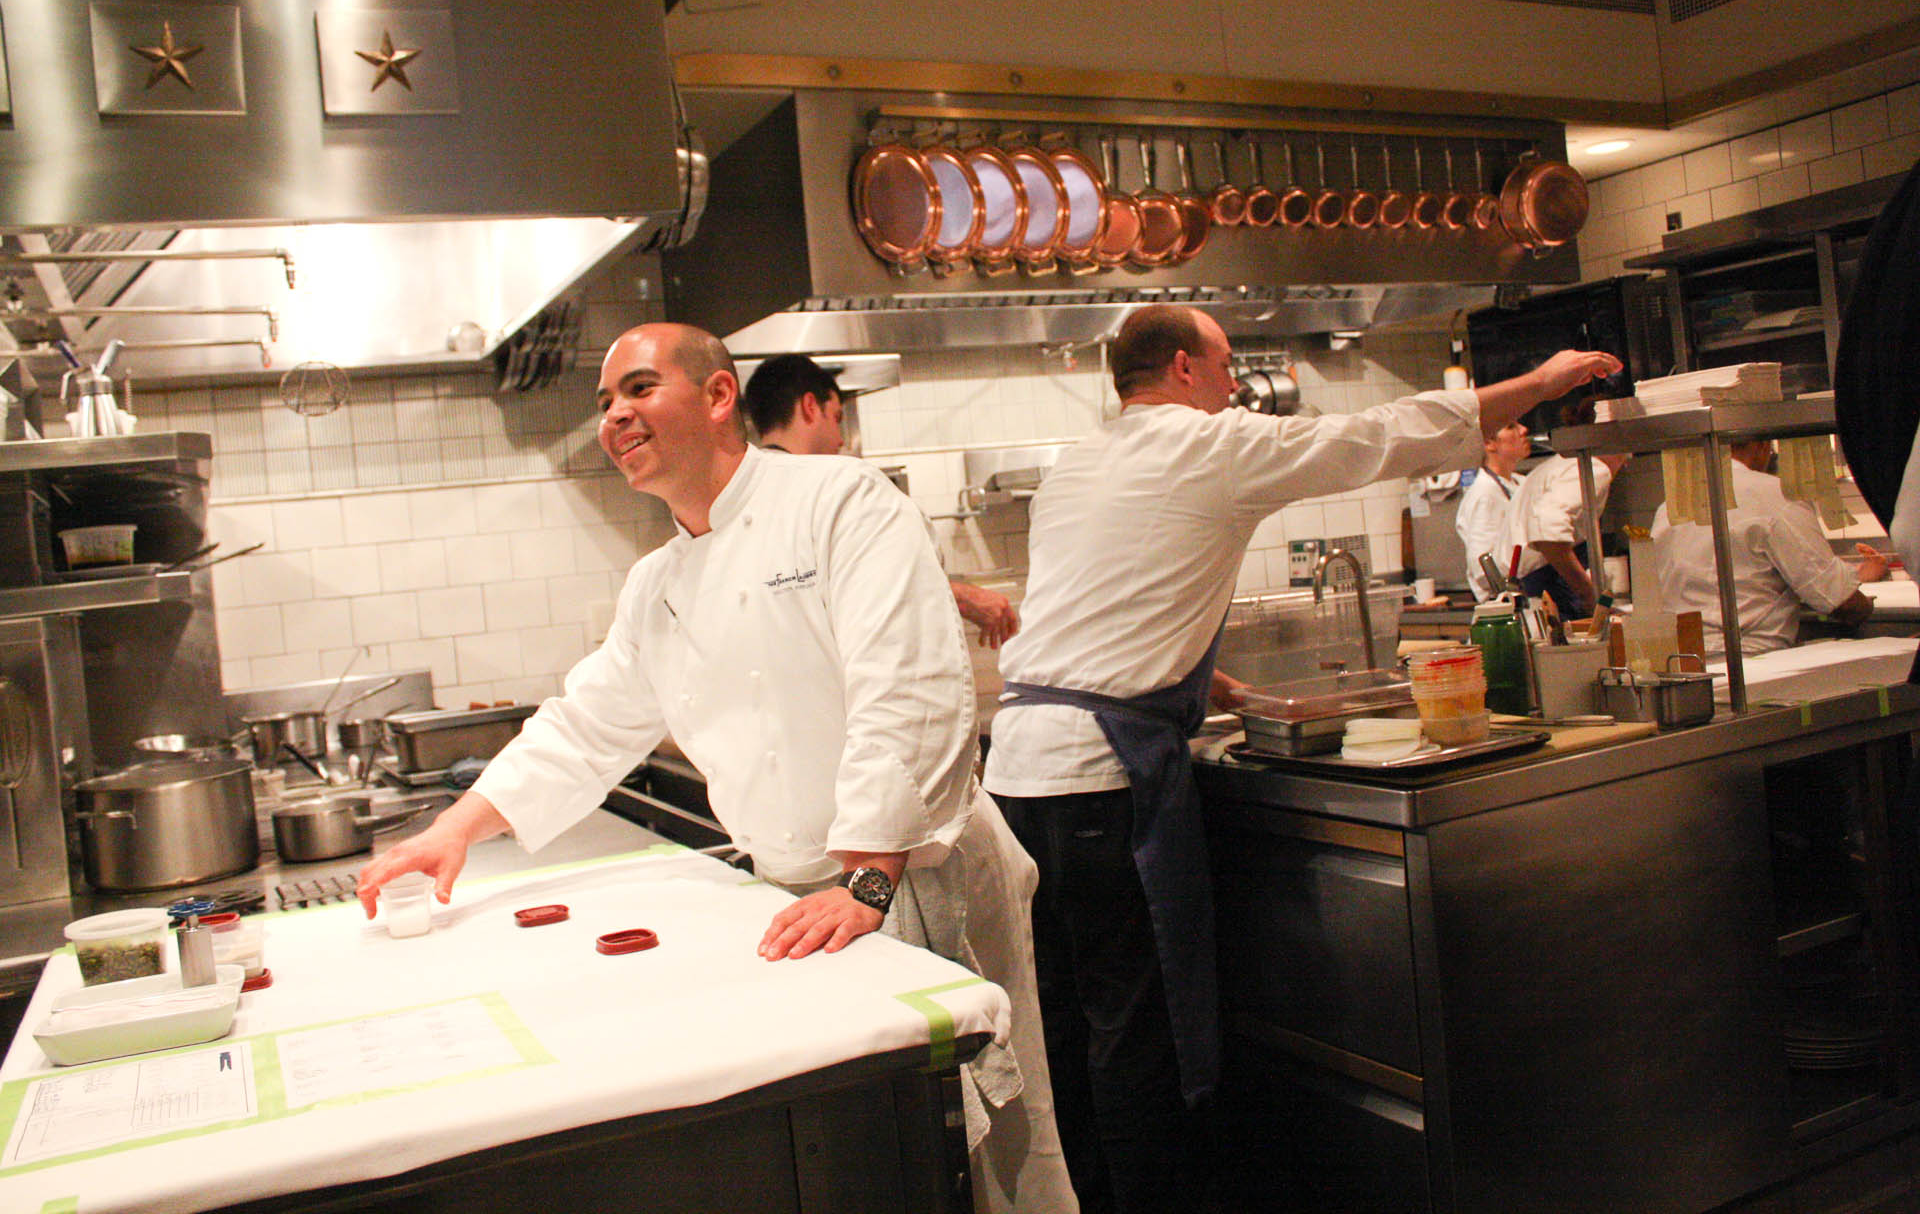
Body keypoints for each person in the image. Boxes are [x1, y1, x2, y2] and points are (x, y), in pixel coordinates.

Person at [357, 323, 1077, 1214]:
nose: (616, 416)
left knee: (988, 1157)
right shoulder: (656, 583)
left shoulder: (840, 501)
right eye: (605, 403)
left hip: (914, 873)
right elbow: (585, 724)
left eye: (639, 389)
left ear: (719, 396)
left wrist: (870, 875)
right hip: (798, 897)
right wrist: (453, 829)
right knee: (876, 1163)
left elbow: (908, 686)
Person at [980, 303, 1620, 1214]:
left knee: (1071, 1032)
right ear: (1184, 369)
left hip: (1019, 776)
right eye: (1227, 362)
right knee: (1134, 1031)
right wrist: (1539, 384)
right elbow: (1374, 437)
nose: (1238, 383)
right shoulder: (1209, 445)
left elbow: (1106, 616)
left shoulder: (1081, 463)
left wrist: (1222, 690)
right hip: (1099, 782)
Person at [742, 351, 1021, 649]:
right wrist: (962, 598)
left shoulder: (735, 499)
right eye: (837, 418)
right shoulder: (843, 490)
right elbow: (878, 591)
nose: (840, 439)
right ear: (811, 407)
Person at [1649, 436, 1889, 655]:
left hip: (1682, 662)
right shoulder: (1775, 494)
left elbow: (1724, 575)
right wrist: (1866, 607)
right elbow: (1839, 601)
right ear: (1761, 446)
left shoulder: (1670, 505)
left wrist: (1856, 575)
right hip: (1749, 660)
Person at [1499, 447, 1629, 619]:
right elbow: (1548, 535)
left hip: (1530, 598)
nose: (1625, 464)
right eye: (1625, 457)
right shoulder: (1594, 469)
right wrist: (1590, 596)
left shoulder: (1557, 465)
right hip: (1549, 598)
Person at [1456, 418, 1531, 602]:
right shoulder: (1486, 493)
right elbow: (1484, 570)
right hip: (1504, 608)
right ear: (1489, 443)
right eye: (1510, 426)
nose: (1523, 430)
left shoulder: (1520, 482)